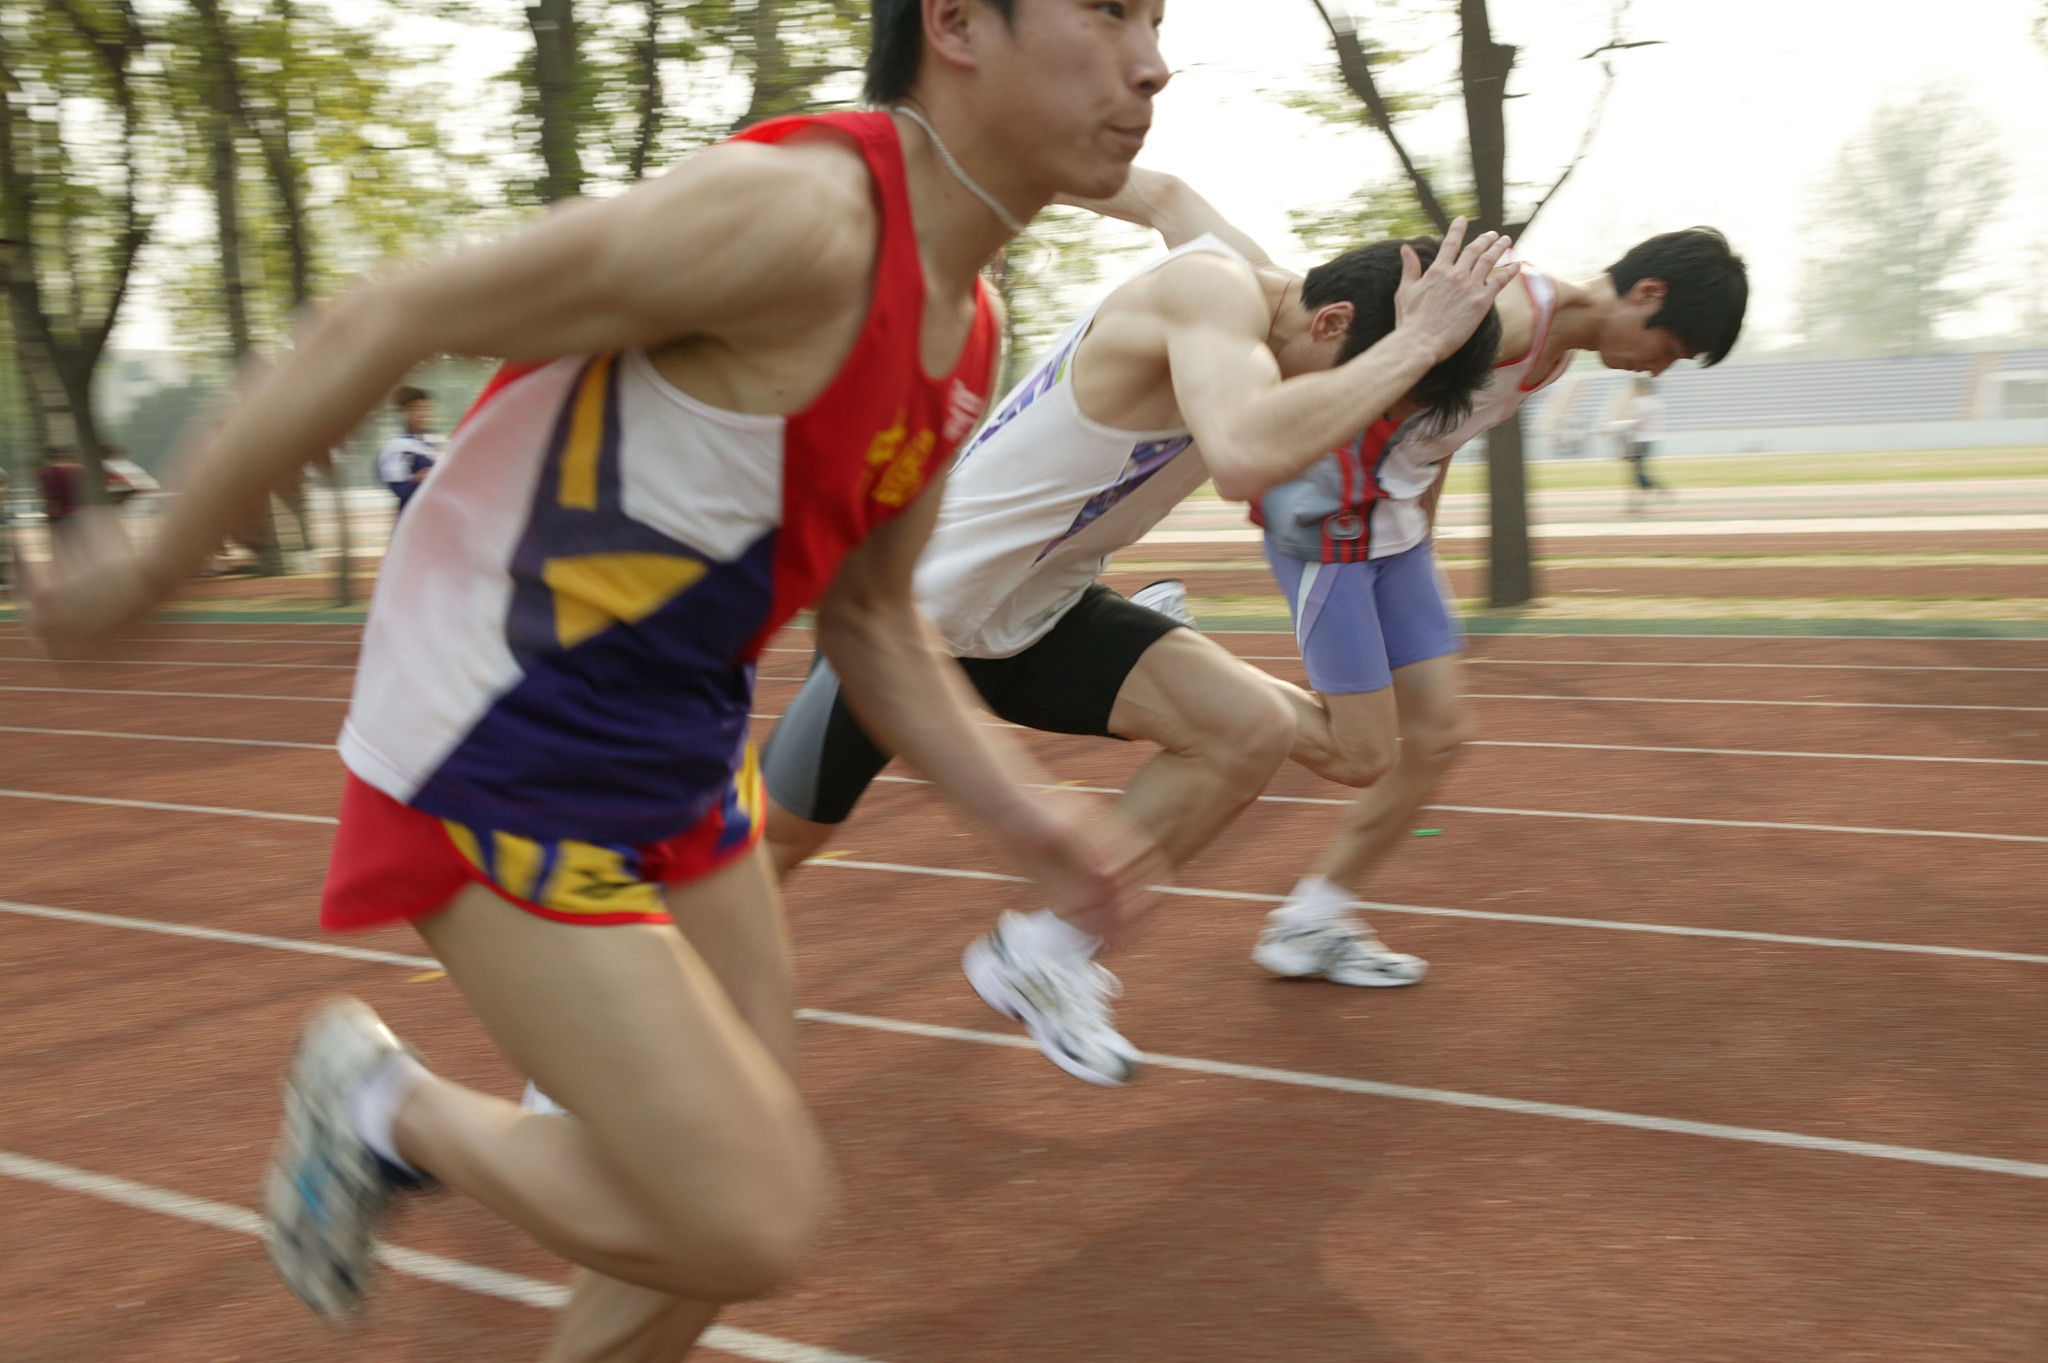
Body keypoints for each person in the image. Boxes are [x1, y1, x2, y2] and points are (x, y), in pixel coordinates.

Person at [28, 2, 1177, 1357]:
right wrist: (155, 559)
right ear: (958, 24)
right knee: (748, 1212)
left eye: (1160, 23)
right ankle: (382, 1101)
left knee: (693, 1211)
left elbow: (872, 617)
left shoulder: (967, 324)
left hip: (675, 743)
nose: (1152, 62)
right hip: (495, 731)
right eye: (1109, 11)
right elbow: (393, 315)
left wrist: (1026, 807)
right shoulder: (796, 217)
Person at [762, 196, 1514, 1083]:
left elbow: (1158, 190)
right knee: (760, 853)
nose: (1361, 419)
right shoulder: (1209, 290)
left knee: (1249, 729)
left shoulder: (1265, 299)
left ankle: (1042, 954)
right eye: (1371, 387)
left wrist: (1039, 180)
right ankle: (594, 1066)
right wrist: (1414, 347)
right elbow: (1241, 452)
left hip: (1038, 616)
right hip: (910, 619)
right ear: (1333, 321)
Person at [1085, 172, 1747, 984]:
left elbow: (1439, 425)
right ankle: (1166, 644)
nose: (1655, 372)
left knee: (1438, 737)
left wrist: (1421, 525)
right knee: (1359, 752)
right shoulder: (1512, 312)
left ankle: (1312, 919)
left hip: (1394, 528)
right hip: (1329, 515)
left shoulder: (1553, 346)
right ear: (1648, 293)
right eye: (1670, 351)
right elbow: (1360, 367)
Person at [374, 385, 441, 514]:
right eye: (417, 409)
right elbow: (401, 490)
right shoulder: (397, 447)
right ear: (404, 413)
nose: (422, 414)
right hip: (412, 516)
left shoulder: (436, 440)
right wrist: (420, 478)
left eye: (426, 408)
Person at [1618, 373, 1667, 511]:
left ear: (1642, 386)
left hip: (1642, 440)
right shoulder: (1653, 401)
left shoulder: (1644, 402)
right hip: (1642, 439)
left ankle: (1649, 494)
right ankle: (1639, 500)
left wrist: (1628, 426)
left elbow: (1641, 421)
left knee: (1638, 472)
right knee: (1637, 472)